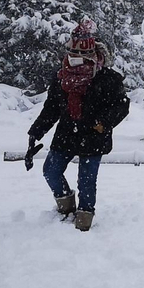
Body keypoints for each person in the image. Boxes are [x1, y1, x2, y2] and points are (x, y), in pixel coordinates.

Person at [24, 19, 130, 232]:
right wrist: (36, 131)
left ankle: (84, 218)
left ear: (90, 55)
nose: (73, 60)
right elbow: (52, 107)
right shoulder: (62, 77)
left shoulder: (107, 78)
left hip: (94, 135)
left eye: (78, 56)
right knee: (51, 171)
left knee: (87, 181)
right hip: (66, 134)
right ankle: (65, 206)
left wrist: (104, 123)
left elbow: (121, 106)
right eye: (71, 55)